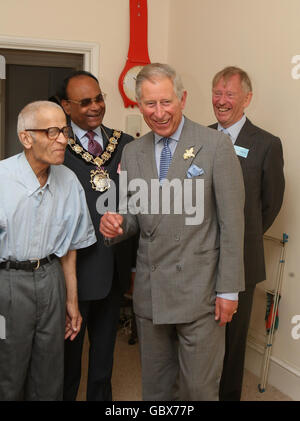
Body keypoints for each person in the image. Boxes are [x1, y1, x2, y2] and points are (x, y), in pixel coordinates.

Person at [100, 63, 245, 401]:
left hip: (202, 292)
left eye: (166, 102)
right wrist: (119, 223)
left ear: (182, 98)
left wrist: (229, 291)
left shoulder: (215, 145)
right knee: (156, 386)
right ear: (139, 105)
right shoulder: (133, 151)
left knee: (199, 389)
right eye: (150, 104)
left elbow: (232, 224)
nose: (159, 112)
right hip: (151, 292)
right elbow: (136, 214)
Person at [0, 101, 96, 401]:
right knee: (8, 370)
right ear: (26, 137)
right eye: (52, 132)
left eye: (64, 131)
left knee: (50, 370)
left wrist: (71, 300)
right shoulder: (2, 178)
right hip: (8, 283)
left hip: (51, 278)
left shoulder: (69, 181)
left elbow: (69, 249)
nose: (63, 140)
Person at [59, 70, 136, 401]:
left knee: (104, 360)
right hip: (73, 272)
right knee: (66, 362)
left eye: (99, 98)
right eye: (85, 101)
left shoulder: (126, 145)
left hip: (115, 270)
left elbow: (137, 203)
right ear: (66, 106)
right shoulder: (56, 145)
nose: (95, 106)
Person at [210, 66, 285, 401]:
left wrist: (241, 237)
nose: (222, 101)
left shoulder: (266, 144)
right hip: (198, 257)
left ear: (246, 98)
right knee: (199, 338)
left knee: (232, 341)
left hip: (241, 260)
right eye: (217, 92)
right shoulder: (198, 137)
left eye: (230, 94)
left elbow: (269, 205)